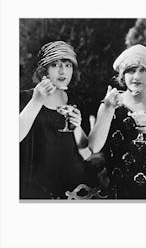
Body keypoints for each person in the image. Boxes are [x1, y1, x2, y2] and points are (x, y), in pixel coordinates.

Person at [88, 44, 146, 199]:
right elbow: (94, 147)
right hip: (119, 193)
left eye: (143, 70)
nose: (137, 76)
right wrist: (107, 110)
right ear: (122, 75)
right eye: (131, 70)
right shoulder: (110, 104)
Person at [20, 41, 94, 199]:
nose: (62, 71)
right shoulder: (24, 98)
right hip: (35, 192)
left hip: (73, 191)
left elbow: (86, 153)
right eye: (55, 65)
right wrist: (36, 101)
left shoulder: (76, 101)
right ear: (44, 70)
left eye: (68, 65)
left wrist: (78, 128)